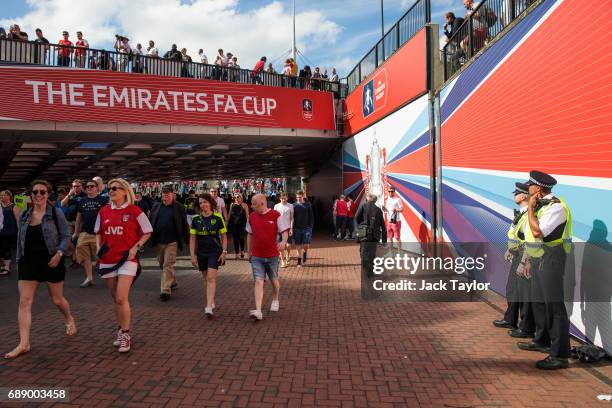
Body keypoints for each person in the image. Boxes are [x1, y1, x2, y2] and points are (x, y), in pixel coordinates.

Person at [5, 180, 76, 359]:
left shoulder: (55, 213)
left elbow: (66, 234)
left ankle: (69, 318)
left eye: (42, 192)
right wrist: (19, 259)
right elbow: (20, 238)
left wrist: (59, 253)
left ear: (48, 194)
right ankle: (24, 343)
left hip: (52, 260)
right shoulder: (24, 215)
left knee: (57, 300)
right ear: (30, 195)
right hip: (29, 262)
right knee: (25, 301)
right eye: (35, 192)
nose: (38, 195)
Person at [517, 171, 572, 370]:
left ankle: (560, 355)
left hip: (552, 259)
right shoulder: (542, 206)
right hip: (539, 258)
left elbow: (538, 231)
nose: (527, 188)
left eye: (529, 186)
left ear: (538, 188)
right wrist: (529, 260)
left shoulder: (556, 207)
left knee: (555, 308)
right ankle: (541, 340)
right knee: (539, 303)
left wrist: (530, 209)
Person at [95, 178, 152, 353]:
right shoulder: (103, 211)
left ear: (124, 191)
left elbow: (148, 231)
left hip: (127, 259)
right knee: (115, 299)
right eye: (109, 188)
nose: (111, 191)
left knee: (121, 297)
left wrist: (136, 247)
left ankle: (126, 334)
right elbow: (98, 232)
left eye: (115, 188)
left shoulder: (135, 210)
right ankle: (120, 329)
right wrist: (98, 247)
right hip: (107, 260)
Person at [493, 182, 534, 338]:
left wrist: (525, 260)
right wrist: (510, 249)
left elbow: (530, 239)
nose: (514, 195)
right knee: (512, 289)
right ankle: (510, 319)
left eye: (516, 193)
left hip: (525, 254)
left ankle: (526, 327)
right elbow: (517, 235)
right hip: (517, 254)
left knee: (524, 293)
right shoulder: (522, 213)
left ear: (523, 196)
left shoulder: (530, 213)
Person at [246, 194, 290, 320]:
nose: (251, 206)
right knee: (258, 281)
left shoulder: (275, 215)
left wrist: (283, 241)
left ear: (262, 203)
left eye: (253, 204)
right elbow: (249, 234)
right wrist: (249, 252)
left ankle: (275, 299)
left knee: (274, 281)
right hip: (257, 256)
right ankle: (258, 310)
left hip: (272, 255)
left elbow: (284, 231)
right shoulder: (251, 217)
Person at [189, 193, 227, 318]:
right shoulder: (196, 220)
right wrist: (192, 255)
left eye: (205, 202)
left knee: (211, 278)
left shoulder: (217, 218)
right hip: (201, 252)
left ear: (210, 203)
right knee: (205, 278)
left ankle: (209, 306)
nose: (203, 205)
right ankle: (211, 299)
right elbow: (193, 238)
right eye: (200, 203)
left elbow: (224, 236)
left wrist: (224, 252)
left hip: (214, 252)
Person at [149, 186, 189, 301]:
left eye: (168, 194)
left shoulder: (179, 207)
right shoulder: (156, 206)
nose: (165, 196)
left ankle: (165, 291)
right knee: (162, 263)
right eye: (163, 194)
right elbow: (150, 221)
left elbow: (184, 224)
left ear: (173, 195)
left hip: (172, 242)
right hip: (159, 241)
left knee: (168, 264)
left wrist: (187, 239)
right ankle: (173, 281)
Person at [73, 180, 108, 288]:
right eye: (87, 186)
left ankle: (109, 276)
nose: (89, 188)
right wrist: (76, 232)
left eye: (91, 186)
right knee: (84, 257)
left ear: (97, 188)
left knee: (100, 257)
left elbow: (108, 216)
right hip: (85, 232)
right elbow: (78, 217)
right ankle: (89, 278)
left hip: (98, 234)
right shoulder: (82, 201)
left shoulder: (103, 200)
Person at [355, 193, 387, 296]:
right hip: (374, 236)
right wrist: (385, 240)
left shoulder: (363, 206)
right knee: (372, 254)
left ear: (369, 199)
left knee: (364, 252)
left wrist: (358, 228)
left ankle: (366, 270)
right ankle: (370, 272)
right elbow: (383, 225)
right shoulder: (378, 210)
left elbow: (356, 218)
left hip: (364, 234)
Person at [0, 190, 20, 276]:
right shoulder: (0, 206)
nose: (1, 197)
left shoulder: (14, 206)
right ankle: (2, 266)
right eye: (0, 196)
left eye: (3, 195)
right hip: (1, 231)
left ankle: (7, 268)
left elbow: (17, 220)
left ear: (9, 196)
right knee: (1, 250)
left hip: (10, 232)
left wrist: (19, 231)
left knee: (6, 250)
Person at [292, 190, 313, 267]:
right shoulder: (293, 205)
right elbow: (291, 217)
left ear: (303, 196)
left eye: (300, 197)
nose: (298, 199)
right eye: (297, 197)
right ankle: (299, 261)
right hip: (296, 228)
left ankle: (305, 252)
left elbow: (311, 216)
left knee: (306, 245)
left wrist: (310, 226)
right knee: (298, 245)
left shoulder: (307, 205)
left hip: (306, 228)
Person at [274, 193, 294, 268]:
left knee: (288, 245)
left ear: (287, 198)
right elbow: (274, 218)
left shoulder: (290, 206)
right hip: (279, 229)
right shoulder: (276, 206)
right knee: (281, 246)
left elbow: (292, 218)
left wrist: (291, 228)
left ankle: (288, 255)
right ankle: (283, 261)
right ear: (280, 198)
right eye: (282, 198)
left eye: (285, 198)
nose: (283, 199)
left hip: (288, 227)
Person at [227, 193, 249, 259]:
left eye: (238, 197)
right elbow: (229, 213)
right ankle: (236, 254)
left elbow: (247, 215)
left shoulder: (244, 205)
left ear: (241, 198)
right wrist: (227, 221)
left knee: (241, 238)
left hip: (242, 224)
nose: (236, 198)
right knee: (235, 239)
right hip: (233, 224)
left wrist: (248, 223)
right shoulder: (232, 205)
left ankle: (242, 251)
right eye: (235, 197)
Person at [383, 186, 404, 251]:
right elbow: (387, 211)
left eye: (391, 191)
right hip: (389, 221)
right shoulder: (387, 200)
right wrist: (384, 209)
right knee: (389, 237)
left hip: (396, 221)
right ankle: (390, 252)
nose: (390, 193)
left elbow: (402, 209)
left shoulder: (398, 199)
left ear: (394, 192)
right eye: (389, 191)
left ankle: (399, 251)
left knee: (397, 238)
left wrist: (397, 209)